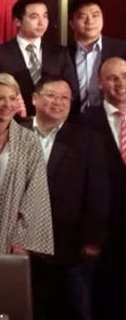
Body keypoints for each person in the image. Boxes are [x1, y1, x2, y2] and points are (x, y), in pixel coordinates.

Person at [27, 75, 109, 320]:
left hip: (70, 246)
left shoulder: (87, 139)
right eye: (51, 95)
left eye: (65, 98)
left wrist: (93, 238)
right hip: (23, 244)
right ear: (34, 98)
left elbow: (98, 191)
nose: (59, 102)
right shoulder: (16, 131)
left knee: (74, 310)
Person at [0, 73, 54, 255]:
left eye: (13, 98)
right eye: (0, 98)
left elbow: (35, 194)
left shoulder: (28, 141)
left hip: (8, 225)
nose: (8, 105)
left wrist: (22, 239)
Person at [83, 56, 126, 320]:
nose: (120, 83)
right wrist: (91, 234)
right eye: (112, 78)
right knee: (108, 298)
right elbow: (83, 182)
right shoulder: (86, 121)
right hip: (107, 229)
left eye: (124, 75)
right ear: (99, 83)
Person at [0, 0, 78, 116]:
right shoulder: (1, 53)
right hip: (15, 121)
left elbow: (73, 91)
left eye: (45, 16)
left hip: (54, 120)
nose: (41, 22)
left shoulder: (60, 53)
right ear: (17, 21)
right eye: (34, 17)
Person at [68, 0, 126, 111]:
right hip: (74, 121)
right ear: (72, 23)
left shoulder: (122, 49)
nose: (90, 21)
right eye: (82, 16)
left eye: (95, 15)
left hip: (115, 120)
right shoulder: (61, 55)